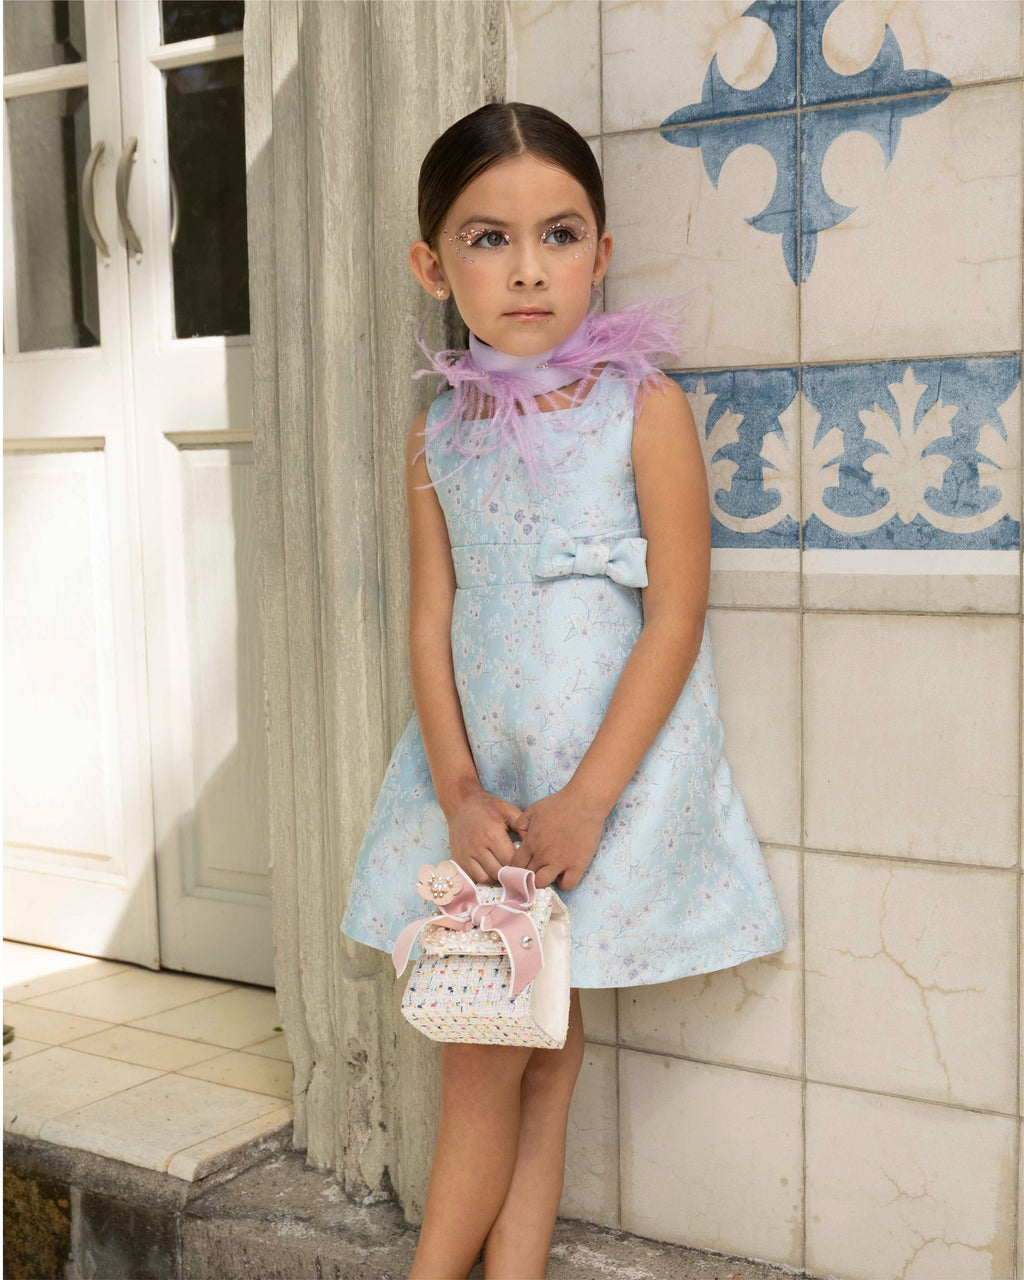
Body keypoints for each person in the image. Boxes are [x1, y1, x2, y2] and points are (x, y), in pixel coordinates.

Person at [340, 101, 788, 1280]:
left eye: (559, 233)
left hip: (601, 776)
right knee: (489, 1044)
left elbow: (675, 613)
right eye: (488, 238)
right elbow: (430, 619)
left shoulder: (644, 409)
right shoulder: (438, 433)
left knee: (545, 1046)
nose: (528, 268)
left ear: (600, 250)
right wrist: (456, 788)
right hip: (482, 788)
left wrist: (589, 797)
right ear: (432, 265)